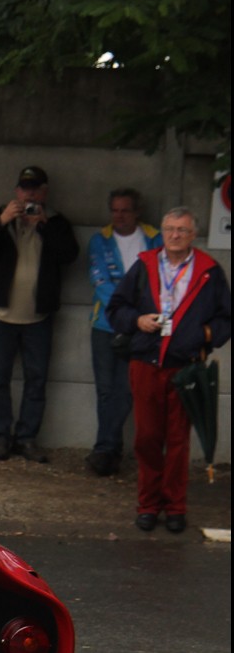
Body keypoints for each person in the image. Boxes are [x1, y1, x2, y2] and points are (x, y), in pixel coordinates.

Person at [106, 207, 231, 533]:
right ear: (162, 232)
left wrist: (204, 335)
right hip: (145, 363)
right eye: (170, 229)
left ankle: (175, 507)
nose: (175, 235)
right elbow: (116, 308)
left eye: (182, 230)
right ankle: (148, 505)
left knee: (178, 441)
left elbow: (225, 319)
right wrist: (137, 321)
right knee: (146, 437)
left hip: (186, 369)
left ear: (192, 236)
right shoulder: (145, 265)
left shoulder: (209, 270)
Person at [0, 165, 79, 462]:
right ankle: (1, 437)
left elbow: (69, 255)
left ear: (44, 192)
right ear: (16, 191)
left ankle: (28, 437)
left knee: (37, 378)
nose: (29, 193)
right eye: (24, 188)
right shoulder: (1, 216)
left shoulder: (56, 222)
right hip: (2, 313)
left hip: (38, 317)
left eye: (35, 188)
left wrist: (43, 224)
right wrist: (3, 221)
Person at [85, 188, 161, 475]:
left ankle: (106, 449)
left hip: (144, 328)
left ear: (136, 212)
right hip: (105, 326)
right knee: (106, 390)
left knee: (129, 390)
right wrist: (130, 314)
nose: (119, 216)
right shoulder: (99, 240)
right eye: (115, 210)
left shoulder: (155, 238)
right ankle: (107, 450)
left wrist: (138, 318)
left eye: (125, 210)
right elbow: (100, 282)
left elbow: (158, 282)